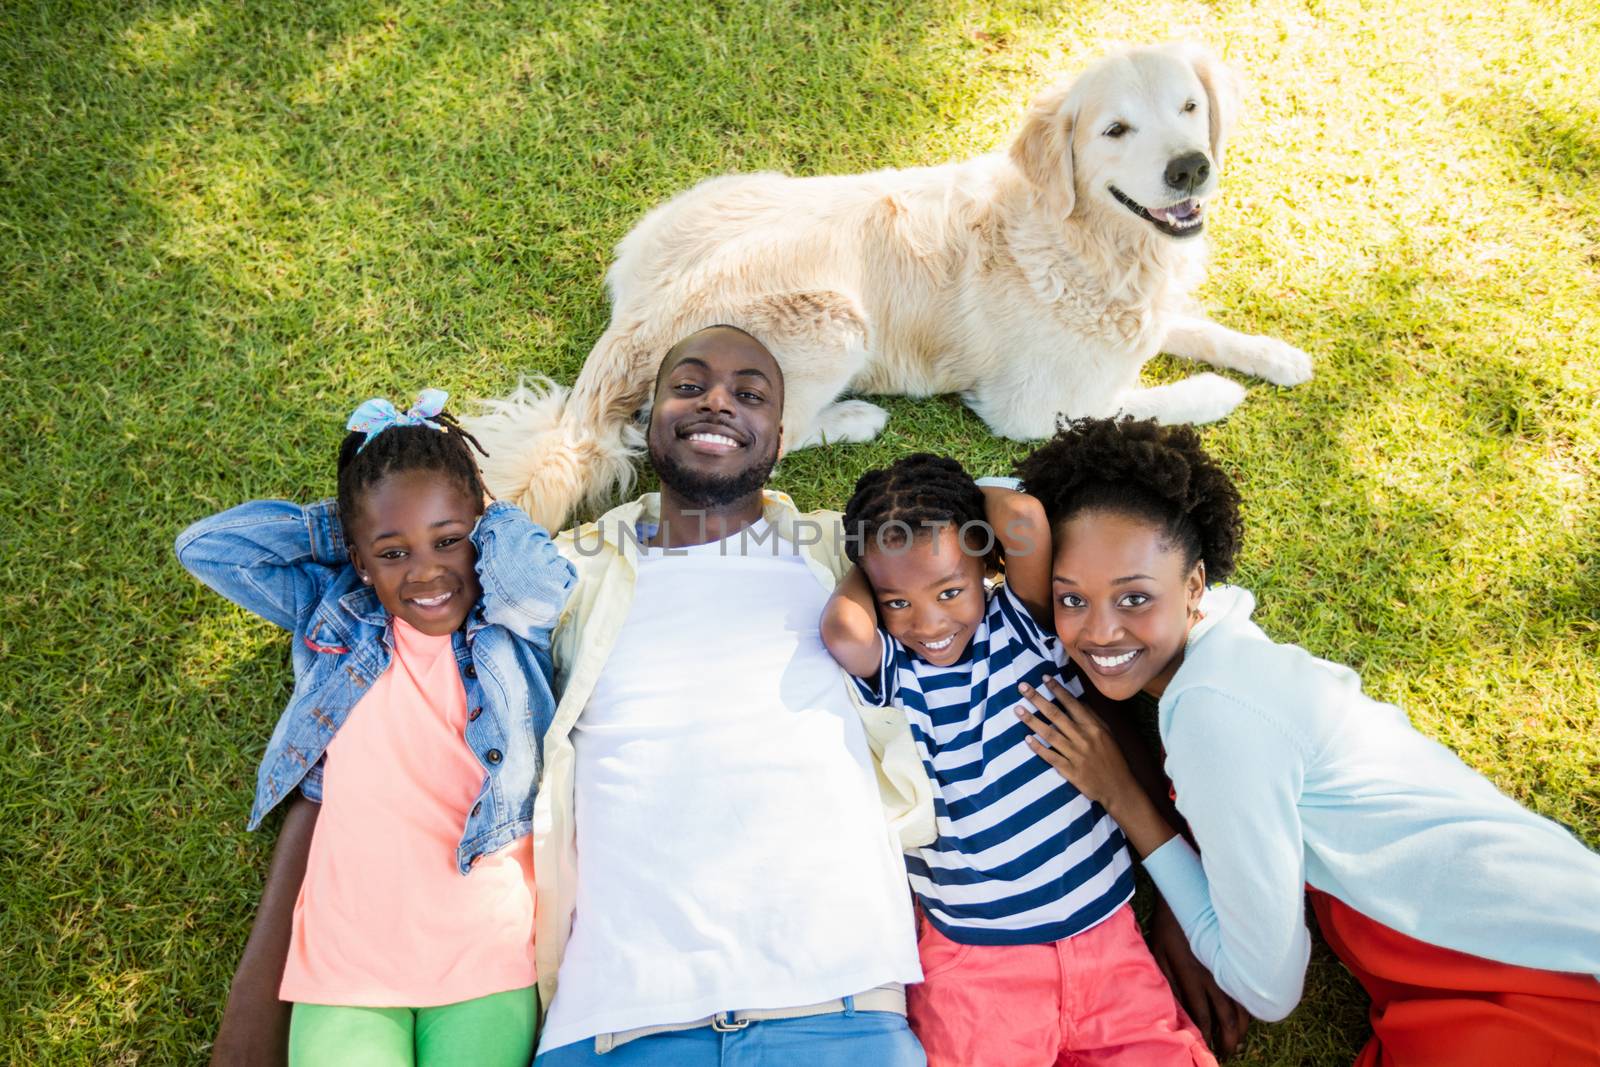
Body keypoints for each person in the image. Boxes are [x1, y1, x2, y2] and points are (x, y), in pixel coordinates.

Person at [1007, 416, 1600, 1066]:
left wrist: (1126, 798)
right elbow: (995, 496)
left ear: (1196, 586)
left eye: (1134, 598)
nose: (1099, 632)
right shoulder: (1231, 654)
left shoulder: (1215, 710)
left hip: (1540, 983)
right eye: (1070, 599)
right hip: (1505, 955)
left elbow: (1266, 988)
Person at [176, 390, 575, 1066]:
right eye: (393, 553)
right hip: (347, 956)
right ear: (359, 560)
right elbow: (209, 548)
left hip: (484, 948)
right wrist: (354, 526)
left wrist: (486, 511)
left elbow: (548, 582)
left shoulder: (510, 626)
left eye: (449, 540)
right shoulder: (340, 614)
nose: (425, 571)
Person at [820, 453, 1217, 1067]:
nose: (929, 622)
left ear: (985, 564)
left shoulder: (1022, 625)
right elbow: (844, 630)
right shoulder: (897, 673)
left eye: (950, 589)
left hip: (1106, 941)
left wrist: (946, 508)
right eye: (897, 602)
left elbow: (1025, 518)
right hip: (976, 964)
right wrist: (871, 558)